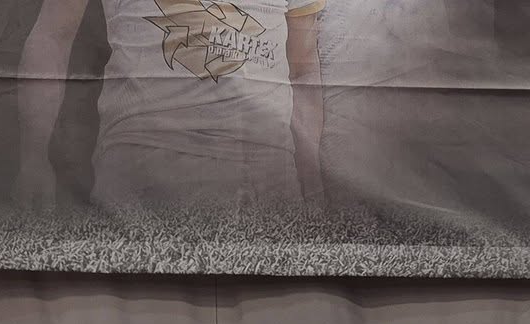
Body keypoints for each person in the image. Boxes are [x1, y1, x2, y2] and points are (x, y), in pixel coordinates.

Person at [17, 0, 328, 209]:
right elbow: (52, 36)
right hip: (143, 169)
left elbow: (303, 68)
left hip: (264, 171)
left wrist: (312, 182)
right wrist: (33, 157)